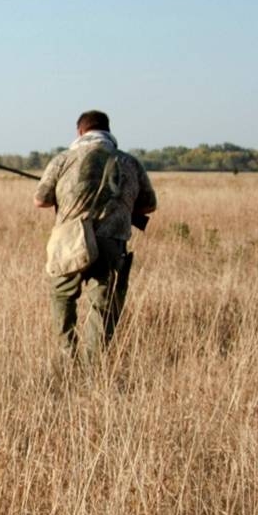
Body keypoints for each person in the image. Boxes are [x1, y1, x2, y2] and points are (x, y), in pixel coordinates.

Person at [34, 110, 157, 360]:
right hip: (112, 243)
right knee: (102, 309)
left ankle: (67, 353)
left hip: (71, 242)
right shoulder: (130, 163)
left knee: (62, 297)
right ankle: (93, 365)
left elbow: (40, 201)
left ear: (80, 131)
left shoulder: (62, 160)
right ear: (108, 132)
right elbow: (149, 205)